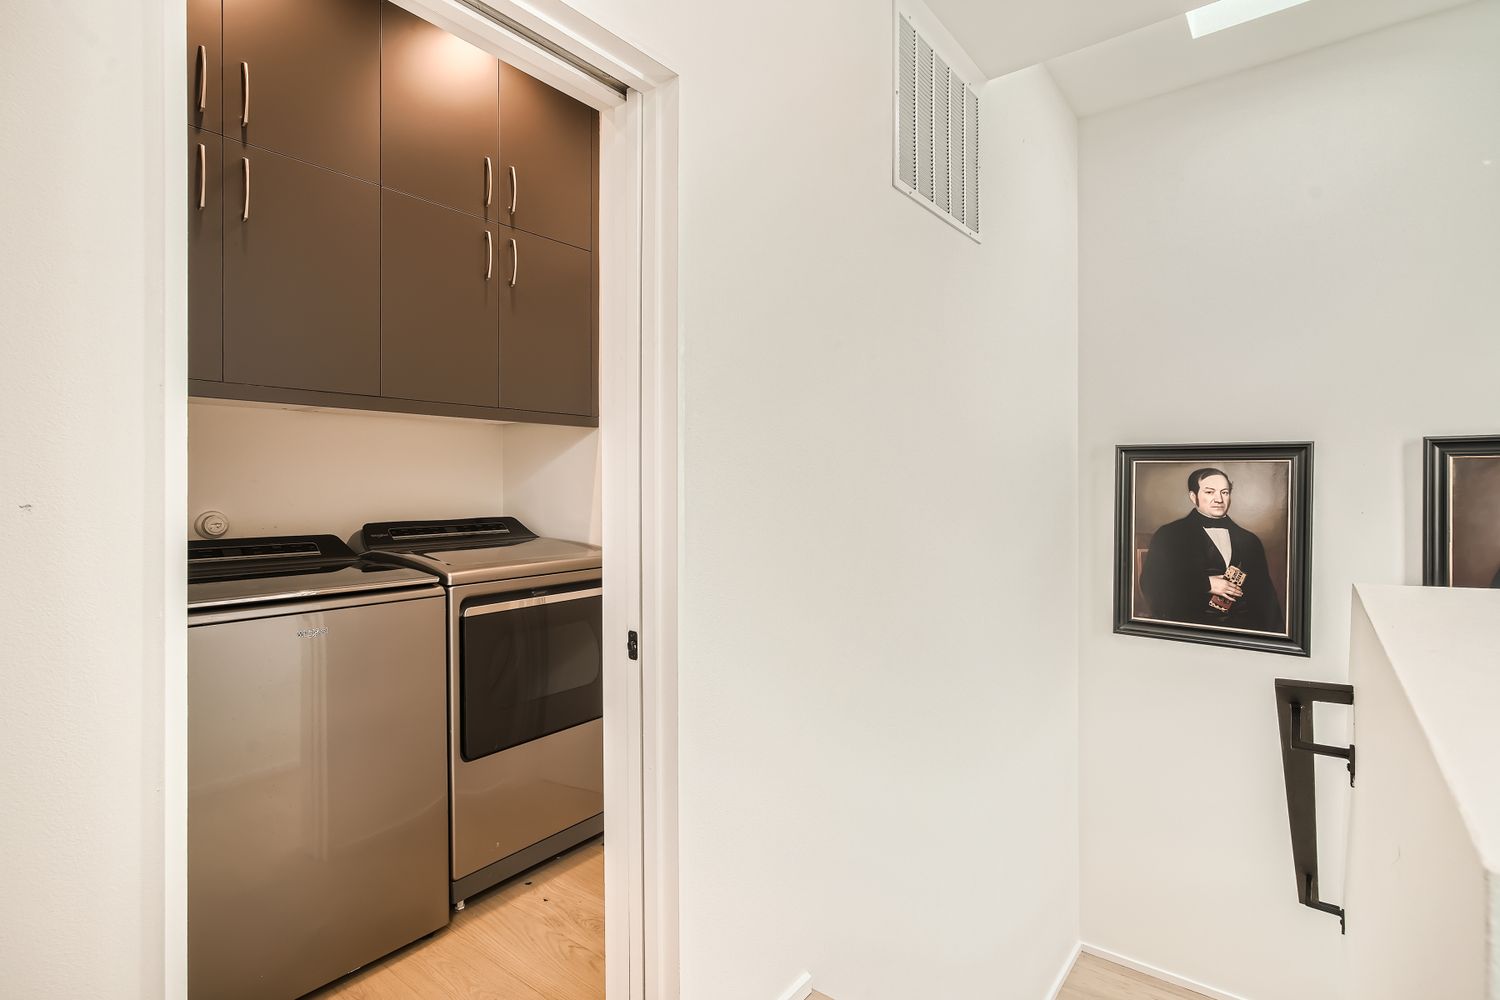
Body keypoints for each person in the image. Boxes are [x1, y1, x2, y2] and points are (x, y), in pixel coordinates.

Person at [1140, 467, 1285, 632]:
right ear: (1193, 497)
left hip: (1244, 633)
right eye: (1209, 492)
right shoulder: (1169, 535)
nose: (1219, 499)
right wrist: (1205, 584)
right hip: (1190, 630)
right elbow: (1151, 584)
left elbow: (1266, 599)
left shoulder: (1250, 541)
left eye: (1224, 492)